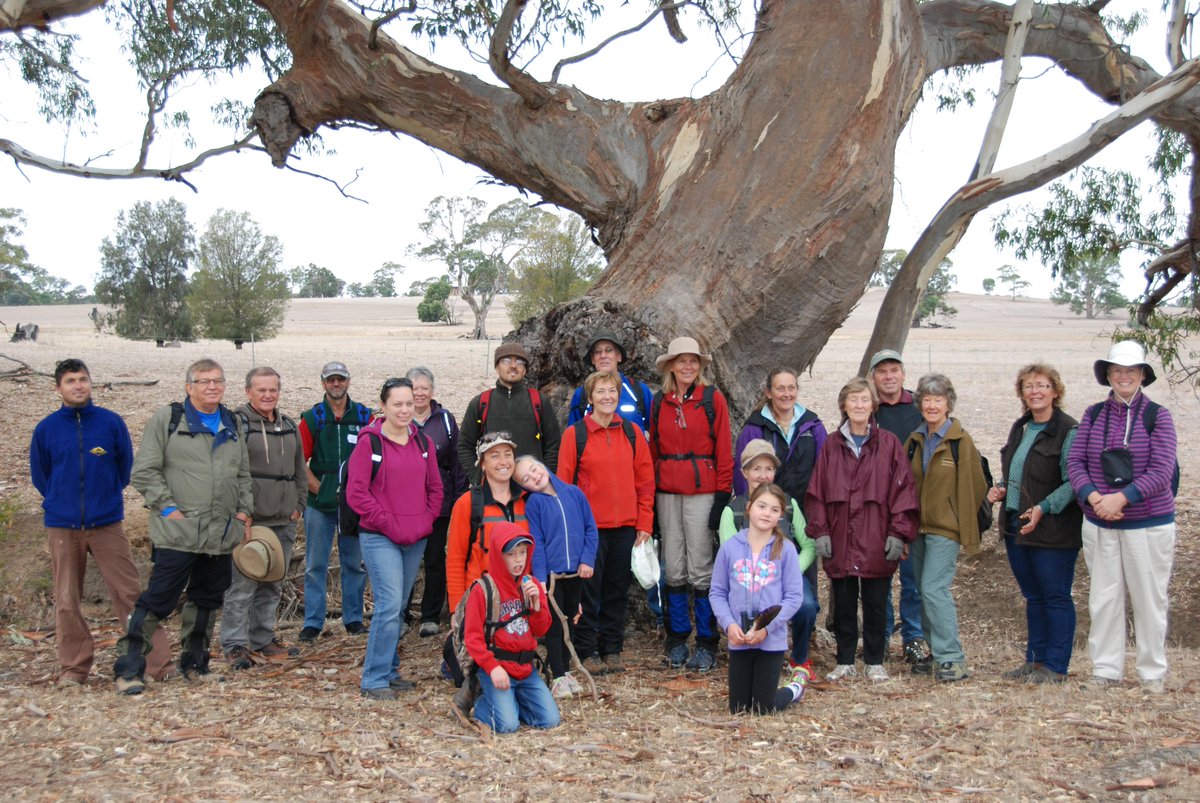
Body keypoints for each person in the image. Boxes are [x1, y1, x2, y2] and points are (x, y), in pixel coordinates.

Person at [113, 359, 253, 695]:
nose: (211, 387)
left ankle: (196, 664)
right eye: (203, 381)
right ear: (188, 386)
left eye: (217, 381)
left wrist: (244, 513)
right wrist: (169, 509)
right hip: (178, 534)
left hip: (220, 534)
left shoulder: (231, 422)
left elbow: (243, 474)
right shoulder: (169, 419)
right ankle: (129, 669)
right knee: (157, 600)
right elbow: (144, 471)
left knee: (206, 599)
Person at [30, 358, 172, 687]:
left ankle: (158, 664)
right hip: (63, 526)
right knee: (66, 599)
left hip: (107, 523)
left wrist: (104, 498)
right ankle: (74, 669)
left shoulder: (110, 423)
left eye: (82, 379)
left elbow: (124, 470)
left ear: (90, 383)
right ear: (58, 388)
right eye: (70, 381)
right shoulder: (47, 429)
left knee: (130, 593)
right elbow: (42, 476)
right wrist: (61, 501)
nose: (78, 385)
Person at [1068, 341, 1178, 694]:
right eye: (1117, 371)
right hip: (1099, 521)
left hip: (1147, 523)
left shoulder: (1157, 416)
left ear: (1142, 375)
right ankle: (1106, 669)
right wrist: (1095, 497)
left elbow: (1163, 470)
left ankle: (1151, 673)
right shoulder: (1093, 414)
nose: (1123, 377)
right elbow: (1076, 463)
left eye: (1131, 371)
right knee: (1104, 598)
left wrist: (1122, 499)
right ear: (1108, 376)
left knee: (1149, 599)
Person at [806, 378, 919, 683]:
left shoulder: (889, 444)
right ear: (844, 405)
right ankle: (844, 660)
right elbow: (817, 491)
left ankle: (874, 660)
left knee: (875, 600)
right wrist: (821, 531)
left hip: (876, 534)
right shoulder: (831, 445)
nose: (859, 405)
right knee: (842, 601)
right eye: (853, 400)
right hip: (841, 534)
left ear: (873, 405)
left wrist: (898, 532)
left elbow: (903, 490)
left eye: (864, 400)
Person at [346, 377, 443, 699]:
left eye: (408, 403)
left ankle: (390, 669)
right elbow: (357, 494)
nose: (404, 409)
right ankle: (374, 679)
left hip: (415, 537)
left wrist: (426, 520)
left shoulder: (422, 443)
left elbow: (435, 488)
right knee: (388, 606)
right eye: (397, 404)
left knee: (399, 605)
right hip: (379, 536)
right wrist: (387, 522)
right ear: (383, 406)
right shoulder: (369, 443)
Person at [557, 369, 655, 677]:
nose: (607, 397)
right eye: (600, 392)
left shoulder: (631, 433)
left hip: (626, 526)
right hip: (590, 529)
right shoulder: (576, 435)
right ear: (590, 398)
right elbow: (564, 485)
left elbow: (645, 481)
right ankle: (587, 650)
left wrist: (645, 522)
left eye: (612, 391)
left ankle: (612, 648)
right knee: (588, 591)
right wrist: (572, 528)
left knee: (617, 589)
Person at [987, 364, 1081, 684]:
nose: (1035, 391)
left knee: (1055, 595)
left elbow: (1073, 482)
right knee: (1033, 595)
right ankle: (1035, 661)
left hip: (1053, 527)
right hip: (1016, 523)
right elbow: (1017, 468)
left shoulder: (1069, 431)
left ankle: (1056, 666)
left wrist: (1044, 507)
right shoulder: (1022, 427)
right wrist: (1000, 488)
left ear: (1055, 391)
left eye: (1041, 385)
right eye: (1028, 386)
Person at [731, 367, 826, 674]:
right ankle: (759, 647)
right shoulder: (756, 426)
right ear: (768, 393)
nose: (786, 394)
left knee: (804, 592)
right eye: (779, 388)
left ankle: (801, 647)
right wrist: (750, 501)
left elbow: (824, 468)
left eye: (791, 388)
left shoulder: (811, 425)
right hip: (764, 507)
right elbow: (741, 470)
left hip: (800, 508)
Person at [650, 336, 733, 672]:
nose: (687, 366)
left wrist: (722, 497)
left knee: (701, 568)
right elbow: (653, 450)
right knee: (673, 566)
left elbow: (724, 449)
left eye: (693, 361)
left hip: (702, 491)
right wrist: (650, 499)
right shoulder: (659, 402)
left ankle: (707, 642)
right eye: (681, 361)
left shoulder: (712, 400)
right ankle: (677, 638)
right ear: (671, 365)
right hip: (667, 491)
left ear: (700, 366)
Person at [221, 367, 308, 669]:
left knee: (272, 583)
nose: (268, 395)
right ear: (248, 392)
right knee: (242, 585)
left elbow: (299, 468)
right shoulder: (237, 423)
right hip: (250, 520)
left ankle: (262, 639)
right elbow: (228, 472)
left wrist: (300, 504)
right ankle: (233, 645)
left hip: (283, 520)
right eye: (261, 390)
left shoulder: (288, 425)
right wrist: (239, 513)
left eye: (273, 389)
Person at [904, 373, 988, 683]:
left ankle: (952, 657)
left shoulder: (960, 441)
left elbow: (975, 486)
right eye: (927, 399)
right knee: (922, 591)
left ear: (948, 403)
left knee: (933, 589)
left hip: (945, 530)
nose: (932, 405)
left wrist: (961, 525)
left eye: (939, 400)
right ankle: (936, 654)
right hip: (919, 529)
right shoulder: (914, 441)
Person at [719, 439, 816, 680]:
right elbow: (728, 556)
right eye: (756, 469)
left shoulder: (789, 505)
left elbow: (808, 545)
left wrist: (790, 570)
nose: (763, 475)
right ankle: (749, 650)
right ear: (744, 473)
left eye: (769, 469)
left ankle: (800, 660)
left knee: (805, 605)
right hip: (747, 578)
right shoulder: (733, 510)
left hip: (786, 575)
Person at [711, 484, 808, 714]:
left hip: (770, 640)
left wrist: (767, 629)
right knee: (739, 709)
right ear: (748, 508)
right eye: (762, 506)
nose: (767, 513)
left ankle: (794, 688)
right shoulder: (730, 548)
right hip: (740, 639)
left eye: (775, 510)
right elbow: (717, 592)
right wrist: (729, 624)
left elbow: (794, 597)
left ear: (780, 516)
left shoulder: (786, 549)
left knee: (762, 708)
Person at [298, 361, 374, 643]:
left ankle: (353, 618)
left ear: (348, 382)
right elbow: (299, 461)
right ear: (323, 383)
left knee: (353, 563)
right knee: (315, 564)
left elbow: (374, 456)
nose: (336, 384)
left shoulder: (365, 416)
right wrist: (319, 489)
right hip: (319, 504)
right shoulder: (312, 417)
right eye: (331, 380)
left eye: (340, 379)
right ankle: (313, 622)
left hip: (354, 505)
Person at [464, 522, 560, 734]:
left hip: (526, 669)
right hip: (498, 667)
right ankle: (481, 702)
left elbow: (541, 630)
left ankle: (511, 703)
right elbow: (472, 638)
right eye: (511, 554)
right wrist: (492, 667)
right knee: (508, 726)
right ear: (499, 555)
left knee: (550, 721)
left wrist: (536, 605)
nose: (519, 560)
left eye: (523, 552)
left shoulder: (530, 583)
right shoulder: (483, 590)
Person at [515, 455, 598, 699]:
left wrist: (587, 560)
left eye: (534, 469)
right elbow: (537, 542)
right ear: (524, 487)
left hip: (576, 574)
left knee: (570, 620)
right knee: (553, 624)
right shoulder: (535, 503)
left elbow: (590, 528)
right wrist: (540, 576)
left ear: (542, 465)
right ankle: (559, 675)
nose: (534, 477)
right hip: (552, 577)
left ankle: (562, 668)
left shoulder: (574, 493)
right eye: (526, 479)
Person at [868, 348, 929, 666]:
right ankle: (880, 635)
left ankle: (913, 637)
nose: (889, 377)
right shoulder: (869, 410)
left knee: (913, 578)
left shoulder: (920, 407)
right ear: (873, 378)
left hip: (913, 505)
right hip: (877, 507)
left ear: (903, 374)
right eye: (882, 371)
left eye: (894, 370)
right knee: (879, 576)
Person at [406, 366, 468, 639]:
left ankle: (430, 616)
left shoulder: (444, 420)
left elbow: (456, 461)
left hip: (439, 504)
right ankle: (400, 615)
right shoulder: (399, 417)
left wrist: (457, 499)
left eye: (424, 388)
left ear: (432, 391)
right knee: (405, 560)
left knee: (434, 560)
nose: (419, 393)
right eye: (414, 388)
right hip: (404, 505)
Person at [445, 433, 529, 614]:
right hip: (480, 600)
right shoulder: (467, 504)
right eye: (494, 456)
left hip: (519, 602)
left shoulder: (527, 501)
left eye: (508, 454)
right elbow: (455, 560)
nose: (503, 461)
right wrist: (458, 610)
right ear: (482, 464)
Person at [458, 343, 562, 480]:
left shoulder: (539, 402)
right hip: (493, 489)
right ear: (497, 367)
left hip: (532, 488)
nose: (513, 366)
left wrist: (545, 479)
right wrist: (478, 477)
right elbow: (464, 446)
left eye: (519, 362)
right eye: (506, 361)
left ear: (524, 370)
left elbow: (553, 446)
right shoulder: (481, 403)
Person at [566, 329, 655, 433]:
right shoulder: (582, 394)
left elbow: (656, 432)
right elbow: (573, 435)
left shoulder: (638, 390)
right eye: (598, 352)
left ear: (619, 356)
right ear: (593, 359)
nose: (603, 355)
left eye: (608, 350)